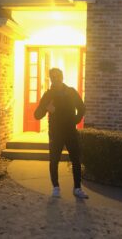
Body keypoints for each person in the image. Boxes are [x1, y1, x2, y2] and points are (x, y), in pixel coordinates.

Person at [34, 68, 88, 199]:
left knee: (76, 159)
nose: (56, 79)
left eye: (58, 76)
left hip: (70, 131)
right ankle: (56, 187)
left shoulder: (71, 92)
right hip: (55, 132)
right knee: (54, 160)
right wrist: (46, 108)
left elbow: (81, 107)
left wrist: (75, 120)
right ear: (50, 79)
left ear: (62, 77)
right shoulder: (48, 95)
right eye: (53, 77)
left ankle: (77, 188)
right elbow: (36, 115)